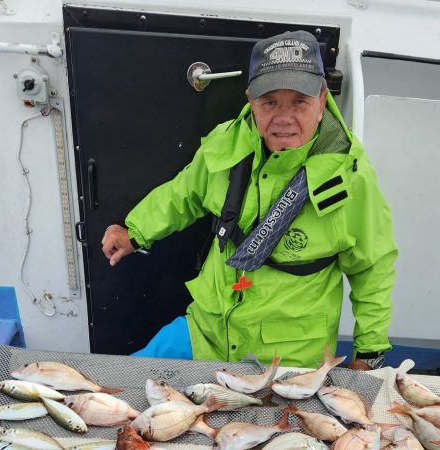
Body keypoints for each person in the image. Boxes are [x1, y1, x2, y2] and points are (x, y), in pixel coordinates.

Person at [101, 30, 397, 370]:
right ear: (250, 100)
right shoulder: (226, 141)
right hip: (208, 330)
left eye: (299, 101)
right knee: (124, 378)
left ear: (321, 100)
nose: (284, 118)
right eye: (269, 102)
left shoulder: (353, 177)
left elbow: (373, 268)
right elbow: (184, 193)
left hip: (288, 357)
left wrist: (369, 354)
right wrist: (134, 231)